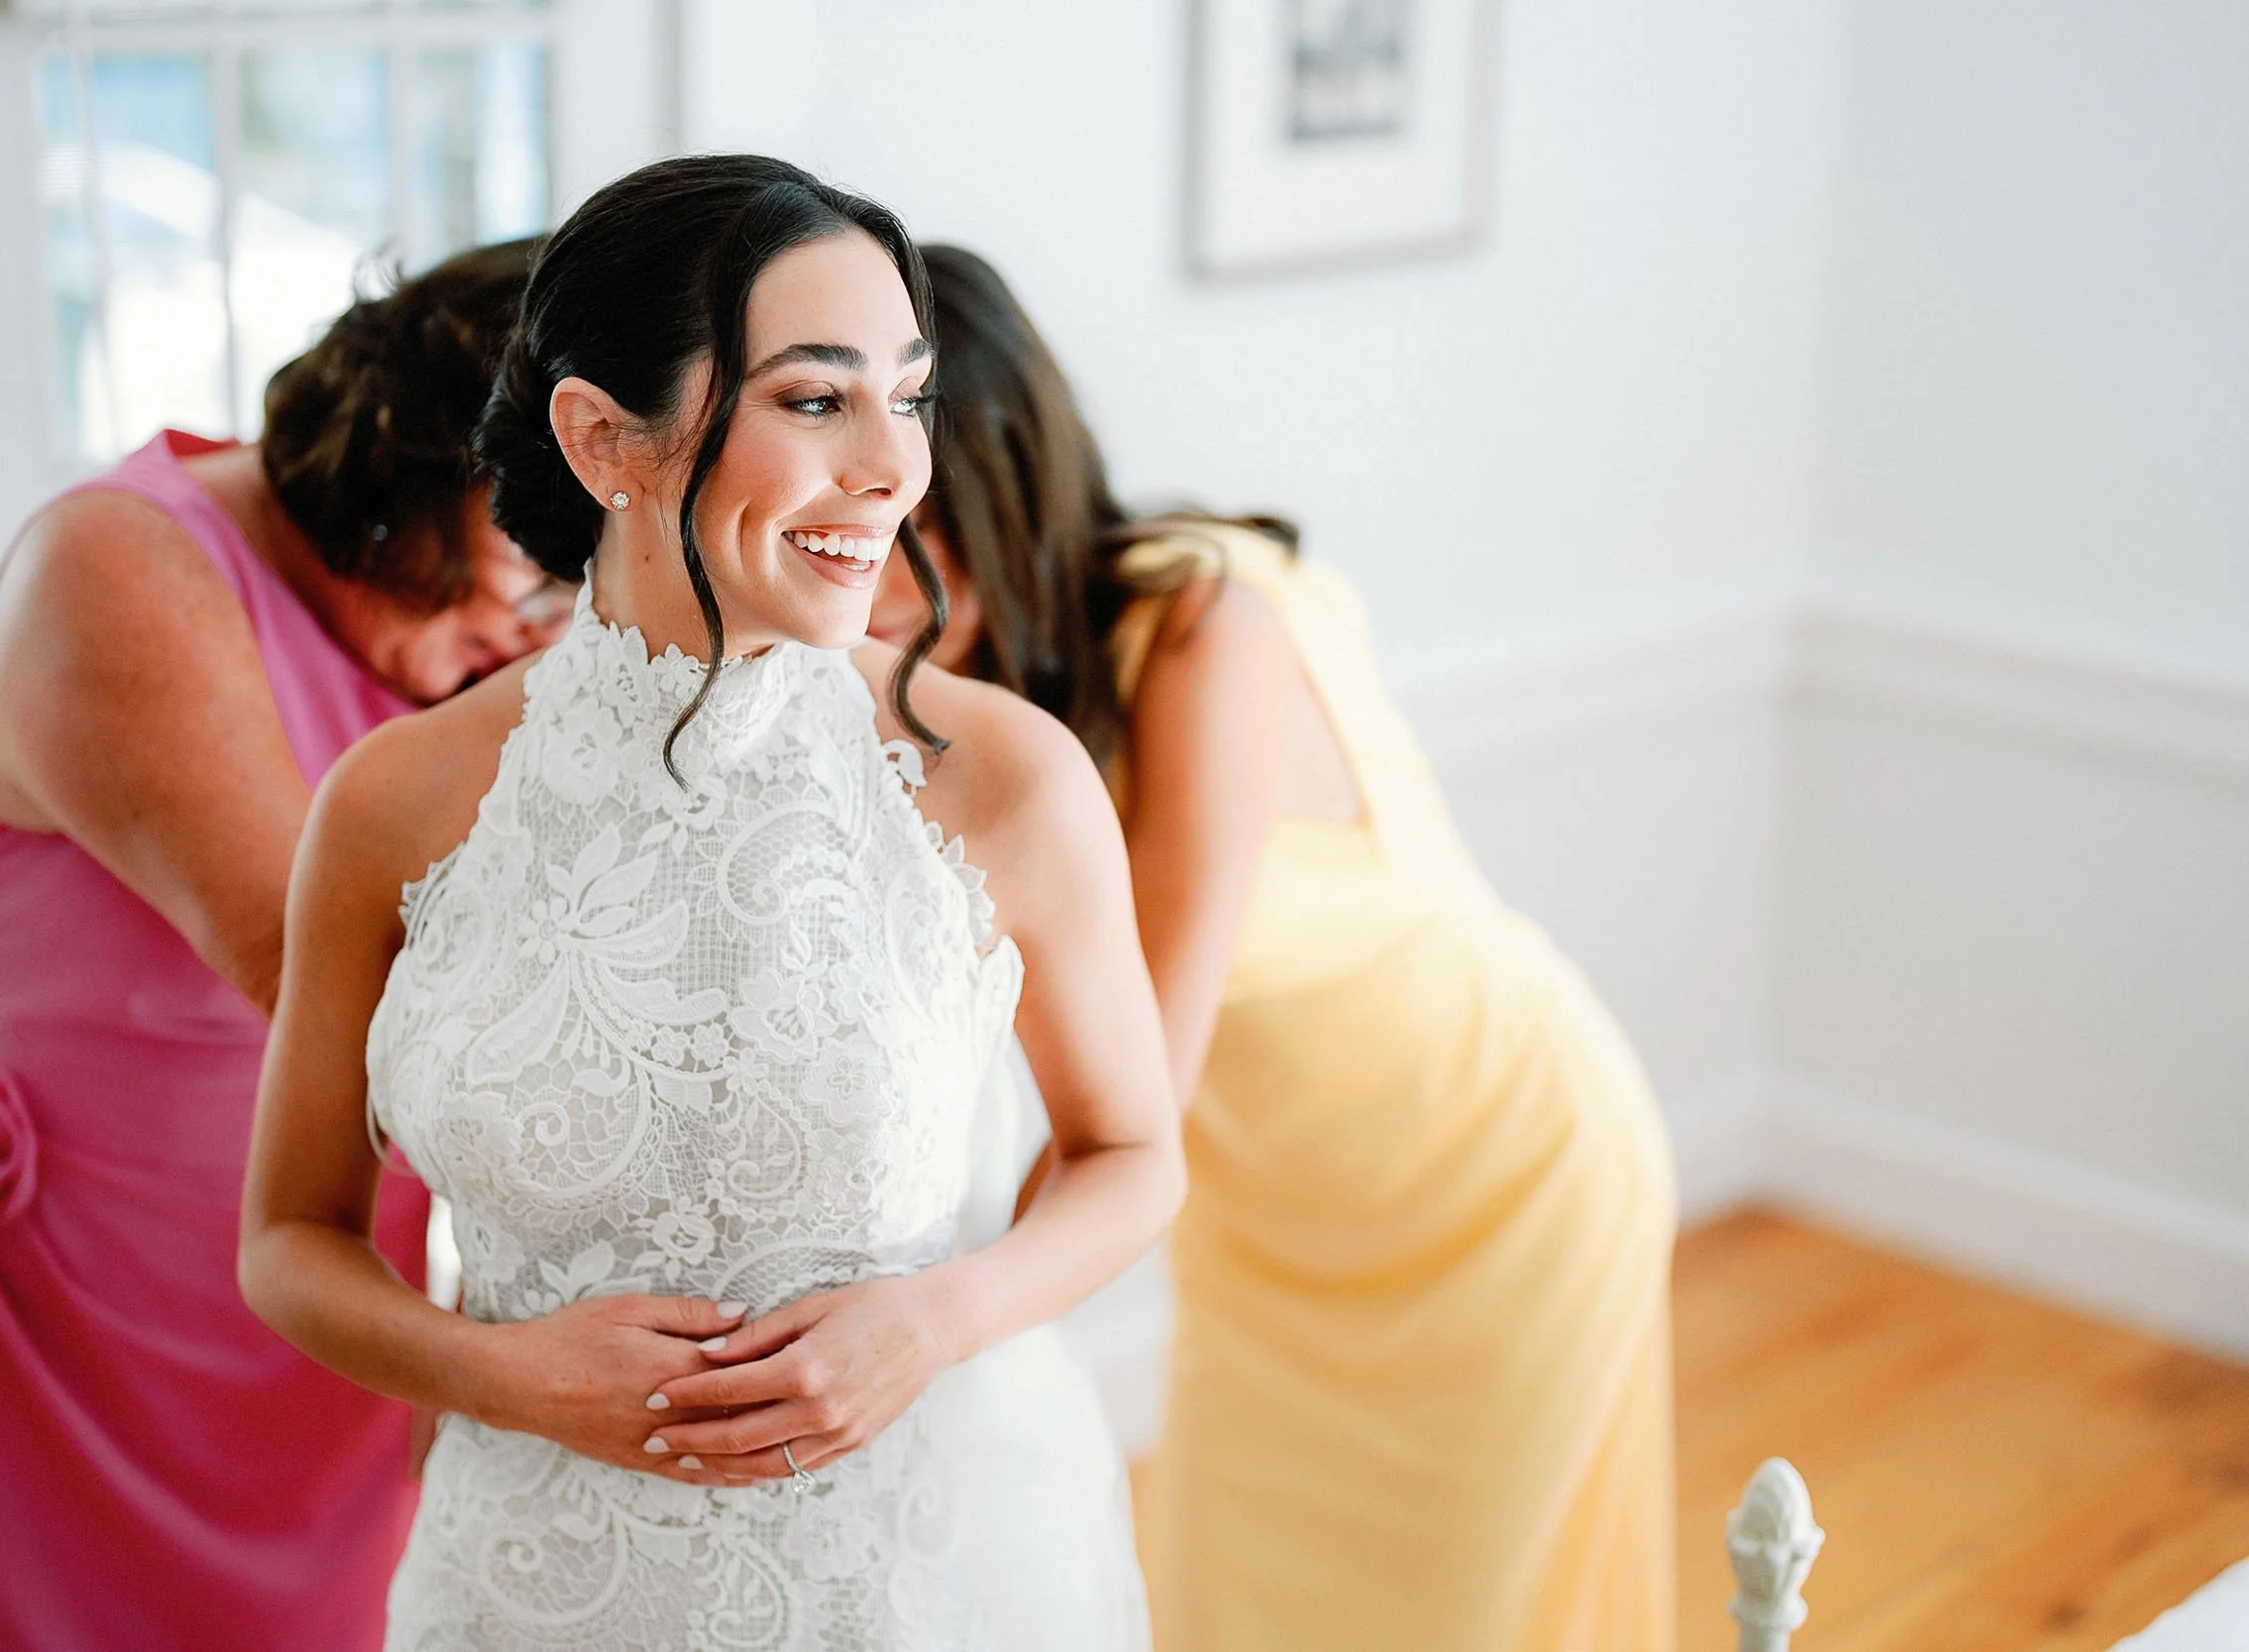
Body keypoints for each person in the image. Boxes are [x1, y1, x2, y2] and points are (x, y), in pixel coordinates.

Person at [236, 157, 1182, 1651]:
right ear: (605, 437)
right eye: (818, 400)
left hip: (915, 1577)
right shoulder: (391, 809)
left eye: (909, 395)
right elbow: (288, 1239)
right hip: (533, 1577)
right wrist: (505, 1374)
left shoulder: (1001, 774)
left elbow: (1136, 1155)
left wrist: (935, 1320)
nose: (894, 468)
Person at [866, 245, 1680, 1652]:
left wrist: (928, 1334)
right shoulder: (949, 695)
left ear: (1005, 489)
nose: (872, 572)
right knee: (1245, 1601)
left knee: (1469, 1613)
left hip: (1493, 1177)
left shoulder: (1196, 626)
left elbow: (1143, 1075)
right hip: (1277, 1225)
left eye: (911, 523)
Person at [0, 238, 570, 1652]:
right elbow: (332, 982)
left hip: (314, 1299)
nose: (532, 628)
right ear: (413, 482)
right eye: (523, 570)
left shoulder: (459, 626)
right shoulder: (120, 568)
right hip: (69, 1306)